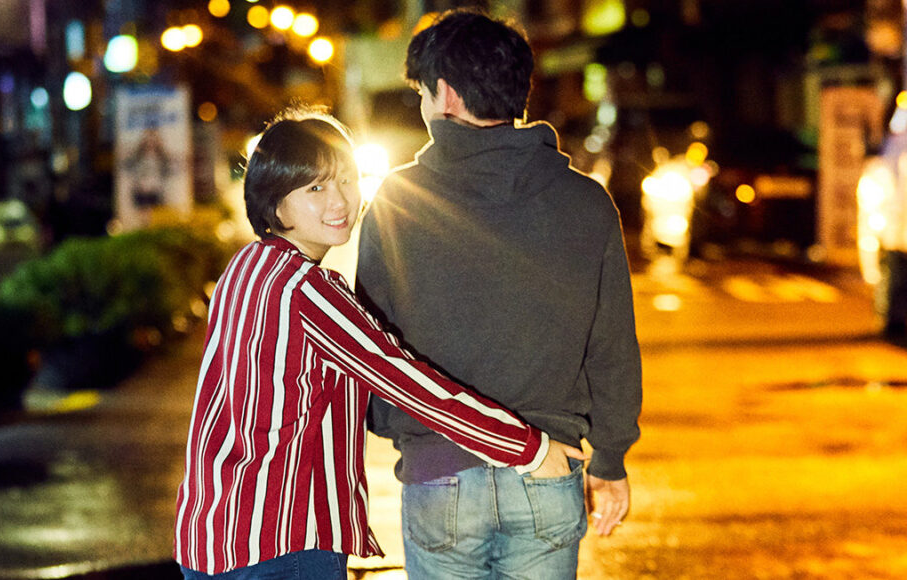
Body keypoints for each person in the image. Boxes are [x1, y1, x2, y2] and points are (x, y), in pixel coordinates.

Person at [173, 108, 586, 579]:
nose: (340, 202)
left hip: (213, 532)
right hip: (280, 541)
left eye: (347, 180)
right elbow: (407, 381)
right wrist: (529, 447)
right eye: (315, 188)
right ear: (276, 205)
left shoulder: (245, 269)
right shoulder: (308, 291)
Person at [356, 9, 643, 579]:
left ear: (445, 95)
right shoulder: (584, 202)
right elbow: (611, 346)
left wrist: (399, 428)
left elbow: (372, 347)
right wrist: (609, 459)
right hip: (549, 470)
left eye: (420, 91)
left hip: (439, 473)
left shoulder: (398, 200)